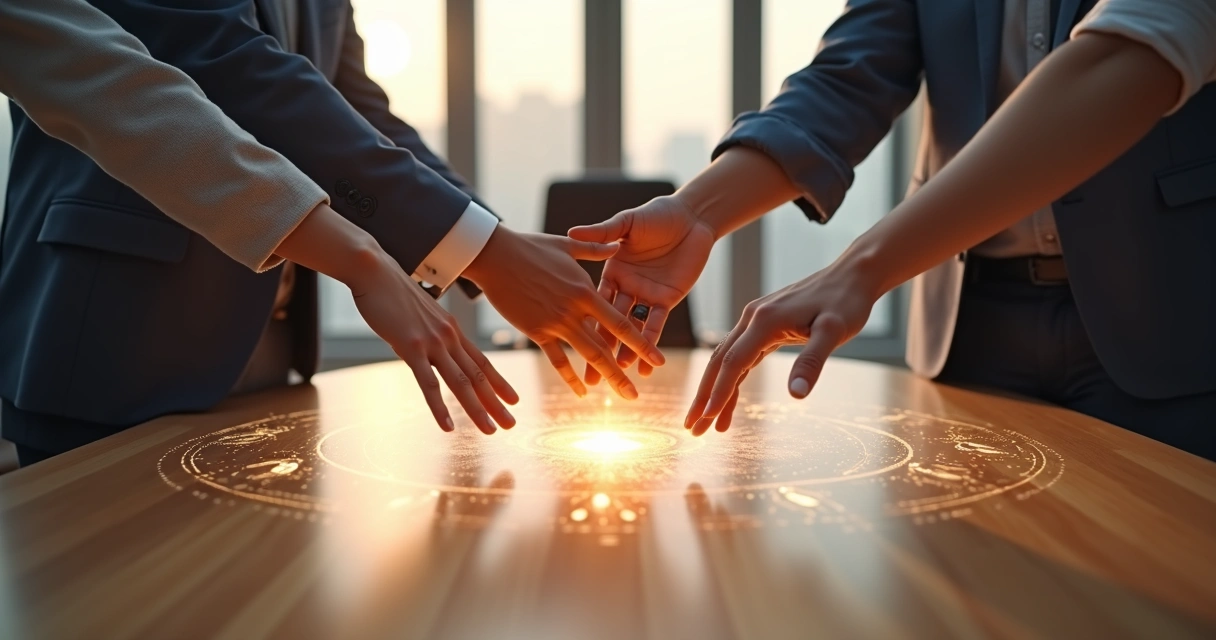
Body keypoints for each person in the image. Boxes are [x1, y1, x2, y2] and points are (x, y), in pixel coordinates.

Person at [0, 0, 663, 466]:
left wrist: (492, 243)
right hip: (118, 342)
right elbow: (227, 68)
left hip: (265, 350)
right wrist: (484, 252)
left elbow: (359, 112)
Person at [571, 0, 1216, 457]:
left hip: (1161, 308)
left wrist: (860, 269)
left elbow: (1136, 52)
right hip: (972, 324)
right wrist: (698, 211)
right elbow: (849, 80)